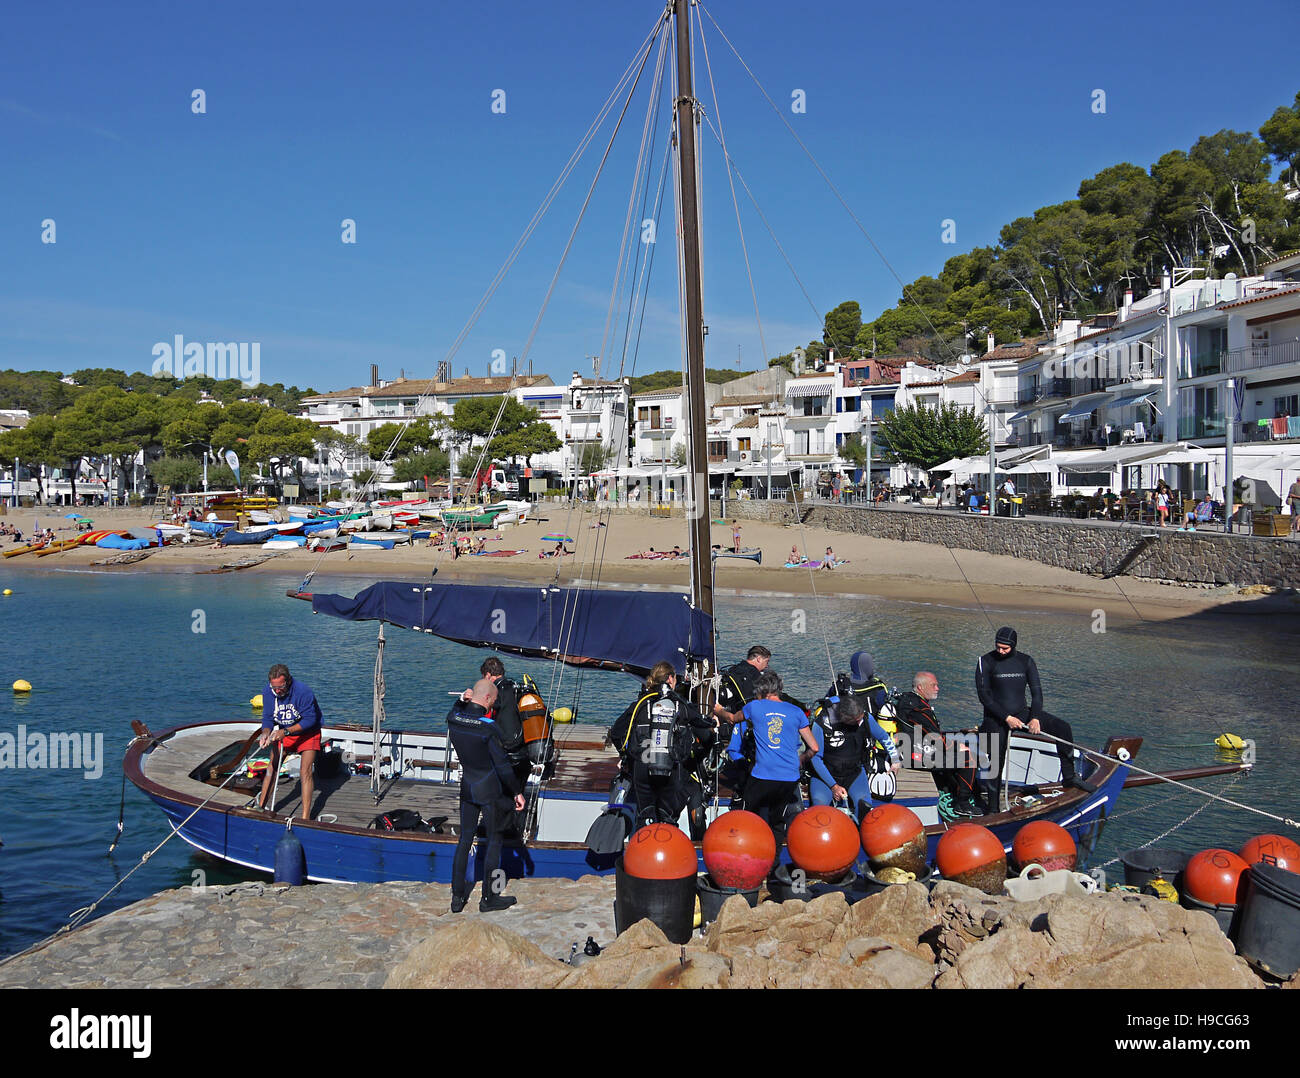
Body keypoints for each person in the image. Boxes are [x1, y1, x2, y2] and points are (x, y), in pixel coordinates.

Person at [975, 627, 1095, 810]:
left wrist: (1036, 718)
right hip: (996, 717)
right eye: (998, 647)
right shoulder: (985, 661)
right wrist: (1006, 717)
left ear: (1013, 646)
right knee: (995, 760)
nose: (1000, 651)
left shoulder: (1025, 661)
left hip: (1022, 713)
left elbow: (1037, 694)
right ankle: (992, 808)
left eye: (1005, 648)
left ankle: (1070, 777)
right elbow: (985, 697)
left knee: (1063, 728)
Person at [608, 662, 717, 830]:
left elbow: (616, 733)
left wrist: (626, 756)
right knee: (668, 819)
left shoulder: (640, 705)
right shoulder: (680, 705)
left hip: (643, 765)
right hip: (672, 767)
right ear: (670, 678)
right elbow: (703, 726)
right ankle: (669, 849)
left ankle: (642, 850)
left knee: (646, 816)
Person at [446, 678, 525, 913]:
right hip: (489, 790)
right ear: (489, 700)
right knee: (493, 841)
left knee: (464, 841)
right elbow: (502, 766)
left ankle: (457, 898)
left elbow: (455, 709)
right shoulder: (488, 727)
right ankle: (488, 899)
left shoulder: (454, 718)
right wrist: (517, 792)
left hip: (467, 786)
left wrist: (461, 700)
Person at [726, 671, 819, 859]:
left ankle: (747, 856)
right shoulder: (796, 711)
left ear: (761, 691)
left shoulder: (755, 706)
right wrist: (801, 760)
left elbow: (732, 718)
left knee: (748, 816)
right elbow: (814, 748)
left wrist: (718, 709)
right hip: (789, 777)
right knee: (777, 821)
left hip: (763, 775)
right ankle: (773, 863)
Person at [894, 671, 982, 817]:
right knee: (969, 757)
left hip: (913, 749)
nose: (937, 688)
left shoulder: (909, 700)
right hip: (913, 756)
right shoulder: (918, 708)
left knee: (957, 751)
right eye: (933, 685)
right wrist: (957, 746)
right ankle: (963, 804)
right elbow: (936, 738)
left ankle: (952, 788)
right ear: (921, 688)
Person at [807, 693, 900, 822]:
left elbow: (884, 737)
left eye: (861, 718)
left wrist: (895, 760)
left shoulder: (865, 719)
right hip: (826, 774)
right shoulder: (822, 723)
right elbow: (815, 758)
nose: (860, 722)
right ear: (844, 718)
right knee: (819, 807)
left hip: (854, 772)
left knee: (864, 806)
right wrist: (833, 786)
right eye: (856, 720)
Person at [255, 664, 323, 820]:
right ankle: (260, 807)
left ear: (289, 681)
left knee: (304, 772)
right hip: (284, 733)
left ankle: (305, 817)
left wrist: (285, 731)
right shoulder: (268, 691)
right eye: (274, 687)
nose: (278, 691)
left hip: (308, 732)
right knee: (272, 767)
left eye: (281, 687)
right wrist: (265, 734)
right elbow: (267, 718)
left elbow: (311, 720)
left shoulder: (303, 692)